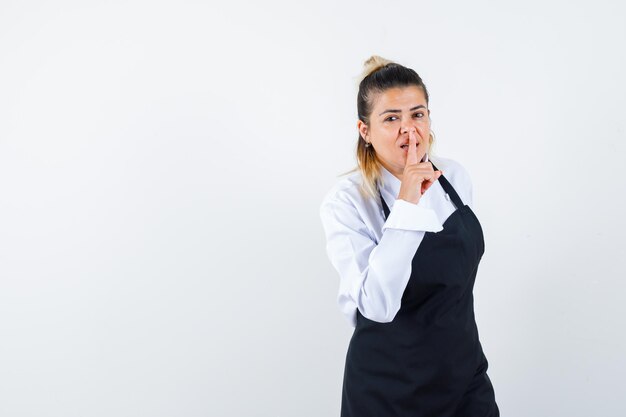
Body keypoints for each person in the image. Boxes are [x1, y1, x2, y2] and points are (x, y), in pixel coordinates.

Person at [319, 55, 500, 417]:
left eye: (417, 114)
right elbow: (376, 306)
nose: (409, 129)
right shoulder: (347, 202)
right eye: (391, 119)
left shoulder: (454, 178)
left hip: (465, 381)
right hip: (389, 393)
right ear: (364, 131)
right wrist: (407, 203)